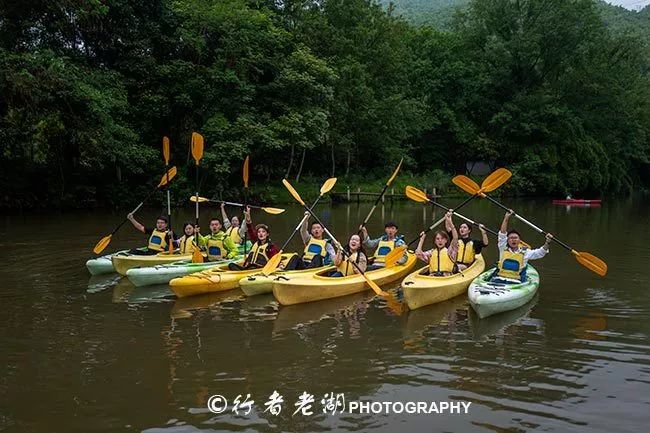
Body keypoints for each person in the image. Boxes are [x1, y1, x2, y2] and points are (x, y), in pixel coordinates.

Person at [494, 210, 553, 282]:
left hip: (516, 282)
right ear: (507, 240)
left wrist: (547, 242)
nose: (513, 240)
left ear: (519, 241)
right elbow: (502, 234)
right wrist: (506, 218)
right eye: (511, 238)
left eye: (515, 238)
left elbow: (541, 252)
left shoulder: (525, 252)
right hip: (499, 279)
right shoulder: (503, 247)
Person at [228, 206, 280, 270]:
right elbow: (250, 228)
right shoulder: (255, 242)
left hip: (259, 269)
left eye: (263, 232)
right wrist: (248, 216)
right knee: (231, 265)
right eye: (259, 232)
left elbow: (275, 260)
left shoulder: (271, 247)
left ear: (267, 234)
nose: (261, 233)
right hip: (249, 268)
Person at [415, 211, 458, 276]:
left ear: (446, 240)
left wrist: (450, 222)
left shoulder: (450, 251)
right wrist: (422, 239)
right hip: (433, 277)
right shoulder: (431, 252)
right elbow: (418, 254)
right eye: (437, 239)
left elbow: (455, 238)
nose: (440, 241)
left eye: (442, 239)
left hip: (446, 276)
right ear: (435, 241)